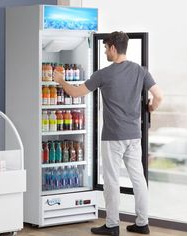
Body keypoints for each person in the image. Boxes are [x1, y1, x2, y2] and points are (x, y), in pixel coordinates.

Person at [53, 31, 163, 236]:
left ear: (113, 47)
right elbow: (159, 96)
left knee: (111, 180)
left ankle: (112, 225)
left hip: (113, 136)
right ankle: (142, 223)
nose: (104, 51)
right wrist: (150, 108)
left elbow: (76, 92)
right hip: (134, 135)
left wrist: (60, 80)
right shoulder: (140, 71)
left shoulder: (104, 73)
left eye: (105, 47)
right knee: (138, 178)